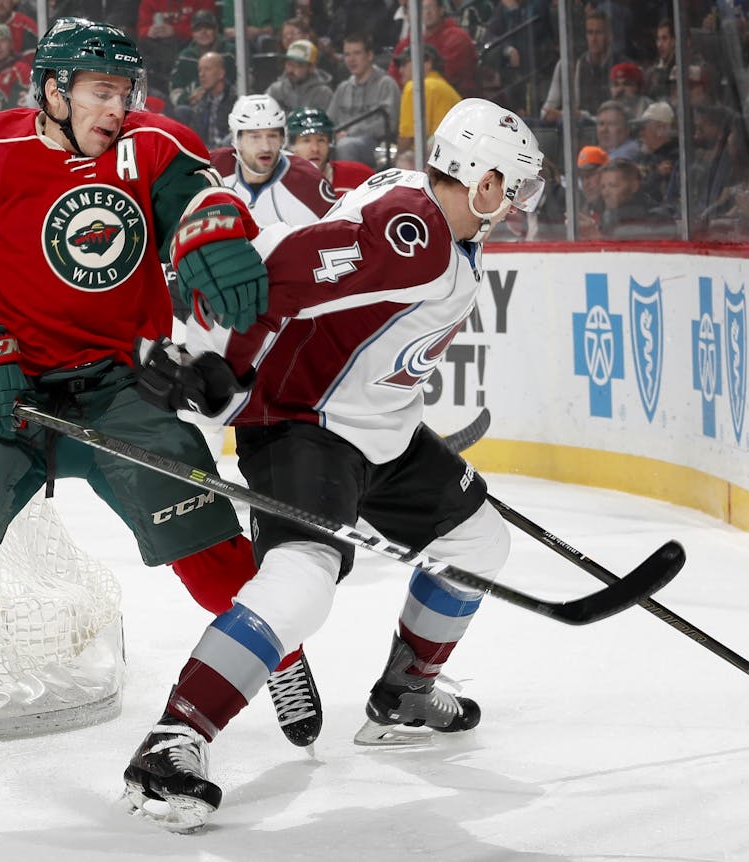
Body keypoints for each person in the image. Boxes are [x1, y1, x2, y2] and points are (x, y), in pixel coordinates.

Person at [0, 17, 316, 808]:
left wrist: (213, 232)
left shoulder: (152, 144)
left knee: (215, 556)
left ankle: (281, 658)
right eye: (100, 91)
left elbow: (197, 195)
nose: (118, 107)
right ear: (53, 91)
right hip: (7, 394)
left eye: (125, 92)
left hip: (124, 392)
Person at [123, 98, 546, 833]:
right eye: (511, 188)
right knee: (304, 582)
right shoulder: (413, 240)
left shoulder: (429, 220)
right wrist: (199, 357)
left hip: (382, 434)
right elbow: (267, 272)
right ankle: (174, 739)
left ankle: (405, 691)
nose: (514, 206)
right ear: (481, 183)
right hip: (305, 429)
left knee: (480, 542)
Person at [213, 95, 335, 227]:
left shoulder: (309, 183)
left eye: (272, 136)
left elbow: (334, 239)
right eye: (255, 137)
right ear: (237, 140)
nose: (266, 146)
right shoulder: (212, 169)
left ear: (283, 139)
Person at [327, 31, 400, 168]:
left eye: (357, 53)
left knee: (346, 146)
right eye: (347, 54)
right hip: (341, 141)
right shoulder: (343, 88)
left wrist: (350, 133)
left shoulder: (386, 84)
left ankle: (347, 189)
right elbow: (329, 121)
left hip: (377, 146)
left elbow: (389, 124)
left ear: (370, 55)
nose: (351, 59)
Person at [286, 106, 375, 196]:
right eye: (306, 141)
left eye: (321, 140)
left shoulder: (360, 176)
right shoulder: (280, 185)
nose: (315, 149)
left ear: (329, 144)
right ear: (291, 146)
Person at [395, 47, 461, 160]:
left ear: (427, 62)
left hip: (434, 160)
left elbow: (408, 138)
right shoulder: (447, 89)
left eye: (404, 64)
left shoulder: (415, 87)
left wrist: (392, 162)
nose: (400, 70)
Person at [171, 50, 236, 149]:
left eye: (207, 69)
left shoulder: (235, 98)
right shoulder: (201, 101)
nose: (201, 74)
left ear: (221, 73)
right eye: (200, 70)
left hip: (228, 151)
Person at [265, 39, 332, 115]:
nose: (291, 70)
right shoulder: (275, 89)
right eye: (289, 64)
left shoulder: (323, 93)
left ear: (311, 68)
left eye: (298, 65)